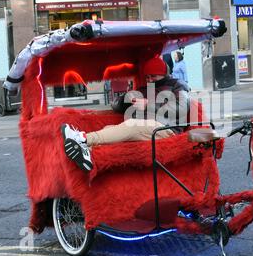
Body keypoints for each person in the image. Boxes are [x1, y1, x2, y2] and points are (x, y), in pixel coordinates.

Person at [61, 57, 190, 172]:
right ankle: (87, 153)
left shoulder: (177, 85)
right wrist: (126, 98)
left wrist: (148, 105)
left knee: (132, 125)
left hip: (167, 130)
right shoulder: (144, 89)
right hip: (147, 128)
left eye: (153, 76)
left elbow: (182, 108)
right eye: (147, 77)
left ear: (163, 74)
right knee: (109, 130)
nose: (149, 80)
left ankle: (82, 138)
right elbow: (116, 106)